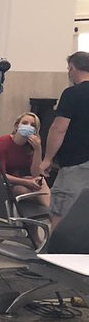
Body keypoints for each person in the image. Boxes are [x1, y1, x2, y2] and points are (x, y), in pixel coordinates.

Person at [40, 51, 89, 231]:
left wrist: (47, 159)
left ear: (72, 68)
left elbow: (59, 128)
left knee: (62, 213)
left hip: (76, 163)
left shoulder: (73, 93)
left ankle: (59, 247)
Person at [0, 112, 51, 214]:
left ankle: (49, 211)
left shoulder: (29, 147)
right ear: (16, 126)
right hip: (0, 183)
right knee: (26, 190)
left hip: (16, 180)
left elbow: (36, 174)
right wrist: (27, 182)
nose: (28, 126)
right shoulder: (2, 143)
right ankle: (49, 211)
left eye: (33, 125)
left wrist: (38, 149)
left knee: (41, 182)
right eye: (25, 123)